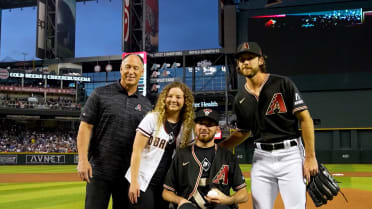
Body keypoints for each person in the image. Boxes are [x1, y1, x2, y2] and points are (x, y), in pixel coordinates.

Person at [220, 42, 318, 209]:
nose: (245, 62)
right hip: (261, 158)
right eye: (241, 59)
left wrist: (310, 157)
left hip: (291, 155)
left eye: (250, 58)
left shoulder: (282, 83)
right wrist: (221, 147)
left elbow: (305, 119)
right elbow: (243, 132)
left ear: (260, 60)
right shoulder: (240, 99)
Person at [76, 54, 152, 209]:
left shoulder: (146, 104)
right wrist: (83, 160)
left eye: (136, 68)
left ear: (142, 72)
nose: (131, 71)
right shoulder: (100, 93)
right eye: (128, 67)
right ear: (121, 69)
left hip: (127, 175)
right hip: (99, 171)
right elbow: (85, 127)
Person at [127, 81, 195, 209]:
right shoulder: (152, 118)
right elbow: (136, 150)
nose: (173, 100)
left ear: (185, 101)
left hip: (165, 185)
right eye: (170, 96)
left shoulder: (187, 128)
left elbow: (188, 158)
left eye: (178, 97)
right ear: (164, 98)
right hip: (142, 180)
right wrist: (134, 181)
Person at [163, 109, 248, 209]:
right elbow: (166, 192)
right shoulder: (181, 155)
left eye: (209, 124)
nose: (204, 128)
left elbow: (244, 194)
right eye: (200, 124)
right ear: (195, 127)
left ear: (217, 129)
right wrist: (180, 200)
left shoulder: (227, 156)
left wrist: (228, 200)